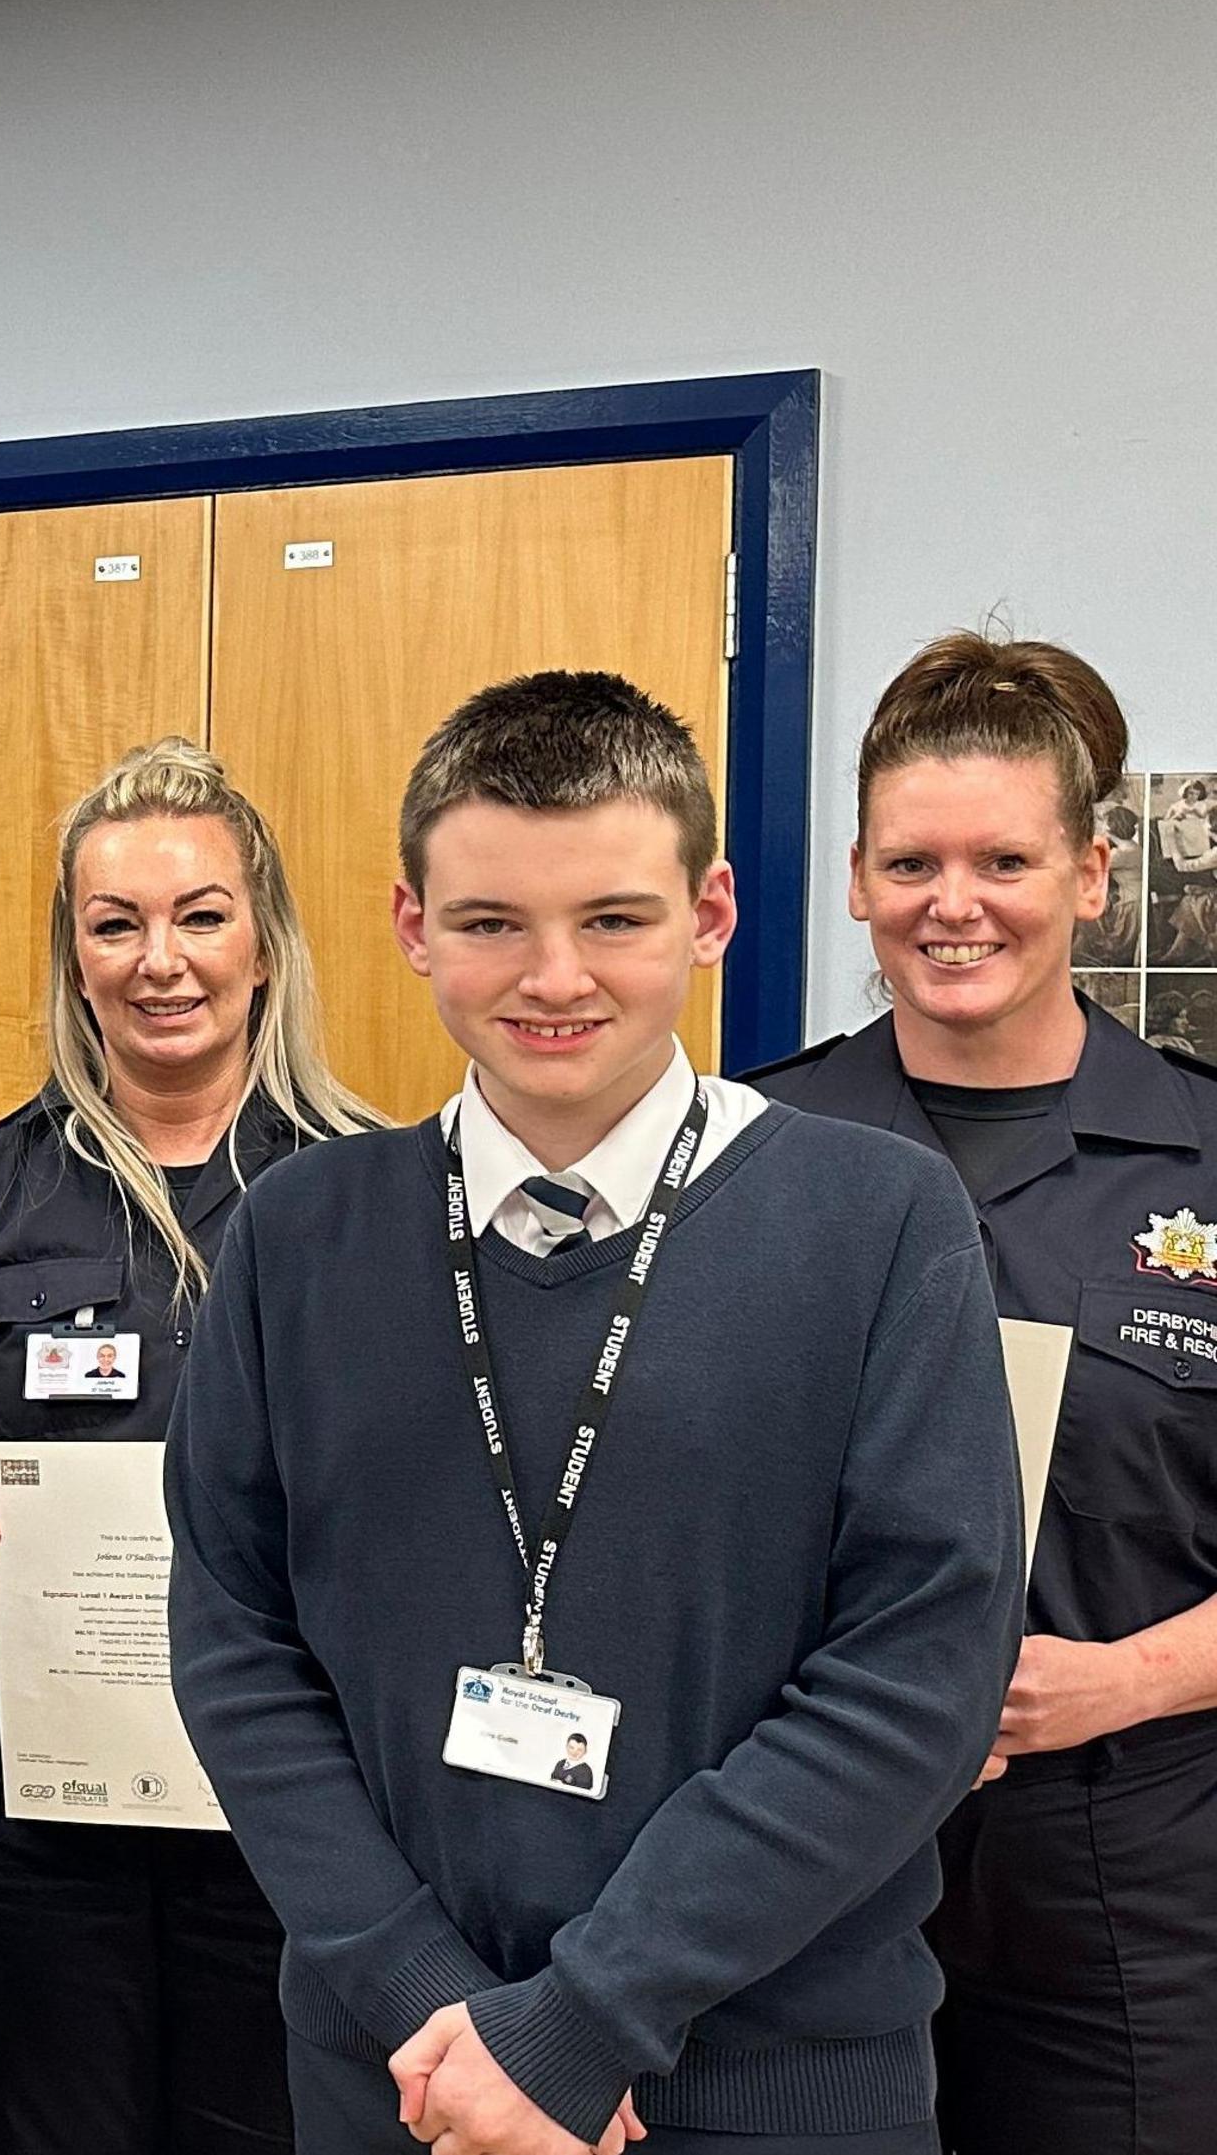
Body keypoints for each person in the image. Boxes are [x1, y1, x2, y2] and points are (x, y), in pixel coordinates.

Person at [169, 670, 1026, 2155]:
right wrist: (438, 2009)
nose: (553, 976)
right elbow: (235, 1642)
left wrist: (580, 2022)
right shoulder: (297, 1234)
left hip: (769, 2082)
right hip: (401, 2075)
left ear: (710, 916)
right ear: (412, 926)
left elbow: (923, 1669)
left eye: (615, 920)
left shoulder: (879, 1220)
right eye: (493, 921)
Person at [0, 738, 378, 2155]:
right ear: (73, 956)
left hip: (291, 1772)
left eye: (201, 914)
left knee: (267, 2120)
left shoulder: (373, 1188)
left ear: (263, 943)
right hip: (44, 1771)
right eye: (117, 923)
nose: (163, 960)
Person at [747, 633, 1217, 2155]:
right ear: (858, 881)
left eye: (1004, 857)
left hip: (1132, 1878)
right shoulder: (747, 1151)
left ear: (1090, 874)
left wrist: (1121, 1678)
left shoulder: (1204, 1156)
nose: (955, 904)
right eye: (912, 861)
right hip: (804, 1854)